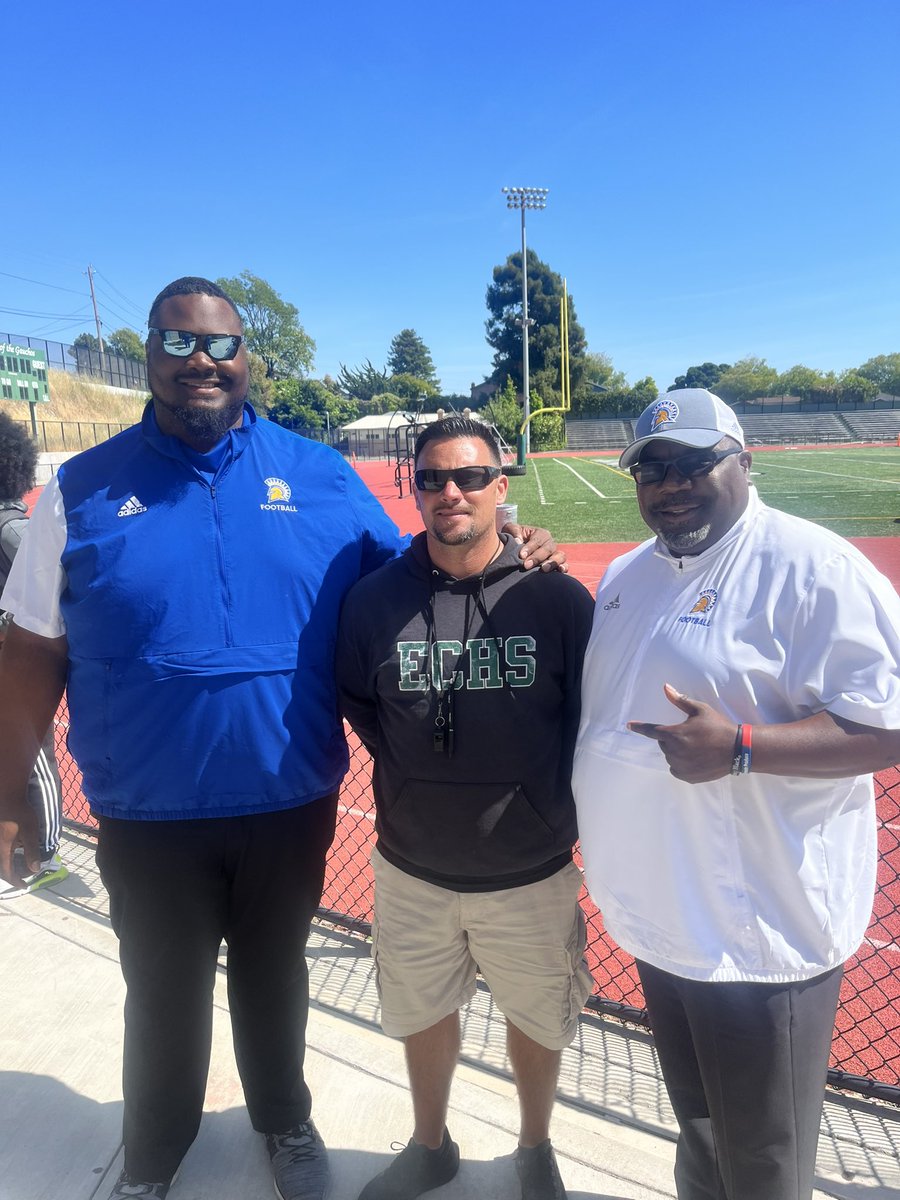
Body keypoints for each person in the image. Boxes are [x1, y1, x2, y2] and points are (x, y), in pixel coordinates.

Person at [0, 280, 562, 1200]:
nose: (201, 361)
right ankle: (153, 1151)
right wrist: (8, 792)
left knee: (275, 980)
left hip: (288, 797)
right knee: (162, 993)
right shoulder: (81, 490)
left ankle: (284, 1120)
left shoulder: (319, 475)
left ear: (247, 360)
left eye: (221, 345)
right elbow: (30, 648)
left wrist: (510, 540)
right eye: (177, 342)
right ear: (148, 355)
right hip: (147, 806)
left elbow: (417, 571)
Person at [572, 389, 900, 1200]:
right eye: (652, 468)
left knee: (761, 1160)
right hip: (660, 914)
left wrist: (745, 748)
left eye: (694, 462)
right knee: (701, 1131)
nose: (671, 483)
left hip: (757, 932)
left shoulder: (812, 568)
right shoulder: (626, 573)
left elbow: (889, 726)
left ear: (745, 462)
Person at [337, 416, 595, 1200]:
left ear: (499, 487)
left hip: (530, 869)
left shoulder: (556, 598)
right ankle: (431, 1144)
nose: (452, 492)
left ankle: (535, 1146)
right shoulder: (374, 602)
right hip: (413, 867)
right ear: (414, 489)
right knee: (421, 1013)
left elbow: (585, 717)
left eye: (471, 477)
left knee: (538, 1018)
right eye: (433, 478)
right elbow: (364, 708)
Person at [0, 410, 66, 899]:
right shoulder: (10, 527)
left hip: (20, 660)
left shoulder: (12, 528)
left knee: (31, 753)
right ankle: (30, 848)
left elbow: (53, 592)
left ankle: (42, 852)